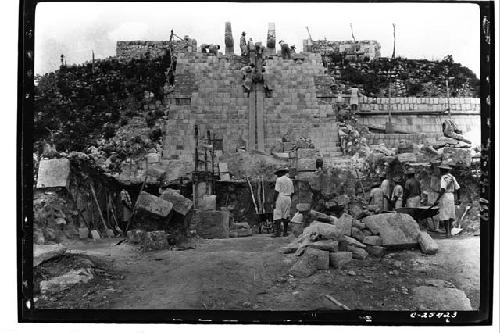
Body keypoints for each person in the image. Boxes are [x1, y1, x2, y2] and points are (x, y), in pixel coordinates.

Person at [433, 163, 461, 238]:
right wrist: (458, 198)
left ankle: (447, 233)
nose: (439, 171)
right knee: (451, 214)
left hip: (445, 196)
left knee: (445, 215)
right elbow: (458, 188)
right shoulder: (452, 177)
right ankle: (450, 232)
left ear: (442, 170)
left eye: (440, 169)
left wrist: (437, 200)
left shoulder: (443, 178)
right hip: (451, 196)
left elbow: (442, 190)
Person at [273, 167, 294, 237]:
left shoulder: (279, 180)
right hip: (288, 197)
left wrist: (274, 200)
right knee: (286, 215)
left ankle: (278, 233)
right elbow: (292, 192)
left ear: (281, 173)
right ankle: (285, 232)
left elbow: (276, 191)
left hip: (280, 197)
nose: (277, 175)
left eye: (277, 174)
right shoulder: (290, 180)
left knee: (278, 214)